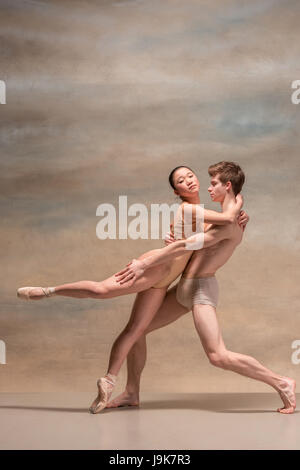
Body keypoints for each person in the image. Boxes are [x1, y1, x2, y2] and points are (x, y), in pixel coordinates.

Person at [17, 166, 248, 413]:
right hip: (155, 268)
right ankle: (48, 291)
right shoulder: (189, 209)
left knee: (136, 330)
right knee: (101, 290)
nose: (188, 181)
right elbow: (225, 220)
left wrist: (239, 218)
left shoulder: (202, 214)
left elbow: (211, 237)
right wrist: (238, 200)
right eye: (181, 180)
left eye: (190, 176)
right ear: (176, 190)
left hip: (165, 281)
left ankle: (116, 386)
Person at [114, 161, 296, 414]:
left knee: (217, 356)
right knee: (137, 331)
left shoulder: (230, 224)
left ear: (227, 185)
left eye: (213, 183)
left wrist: (145, 264)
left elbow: (184, 247)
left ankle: (282, 383)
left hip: (200, 290)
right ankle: (131, 392)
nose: (207, 187)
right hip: (183, 289)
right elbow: (185, 240)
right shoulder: (224, 218)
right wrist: (171, 238)